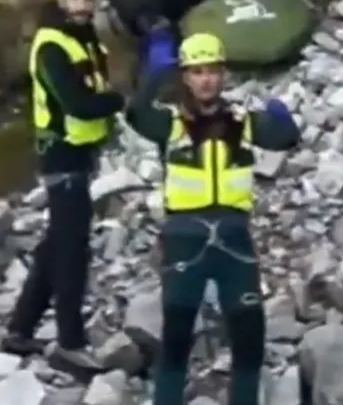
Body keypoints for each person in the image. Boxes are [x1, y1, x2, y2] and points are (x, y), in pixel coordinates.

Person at [125, 32, 300, 405]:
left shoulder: (241, 120)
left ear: (223, 75)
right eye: (197, 71)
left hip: (235, 239)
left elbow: (285, 138)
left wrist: (282, 117)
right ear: (185, 77)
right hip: (184, 238)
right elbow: (136, 114)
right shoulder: (171, 124)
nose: (206, 79)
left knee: (250, 336)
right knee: (176, 339)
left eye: (213, 71)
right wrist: (155, 74)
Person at [1, 0, 125, 371]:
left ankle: (20, 329)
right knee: (72, 250)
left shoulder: (85, 41)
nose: (84, 4)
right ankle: (70, 340)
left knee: (57, 244)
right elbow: (79, 103)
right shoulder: (53, 45)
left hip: (80, 155)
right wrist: (118, 102)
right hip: (62, 155)